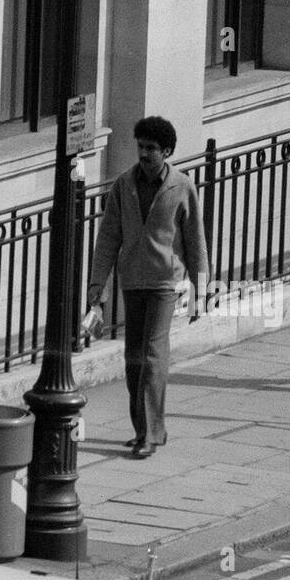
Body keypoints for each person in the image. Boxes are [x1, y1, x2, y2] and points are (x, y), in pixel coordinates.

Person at [86, 117, 209, 459]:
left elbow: (195, 240)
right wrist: (98, 284)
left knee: (153, 356)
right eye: (140, 147)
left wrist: (201, 288)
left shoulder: (182, 186)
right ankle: (145, 429)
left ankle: (150, 436)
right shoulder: (123, 185)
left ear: (167, 151)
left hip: (165, 283)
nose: (144, 153)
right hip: (132, 280)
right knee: (134, 359)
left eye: (151, 148)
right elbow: (108, 236)